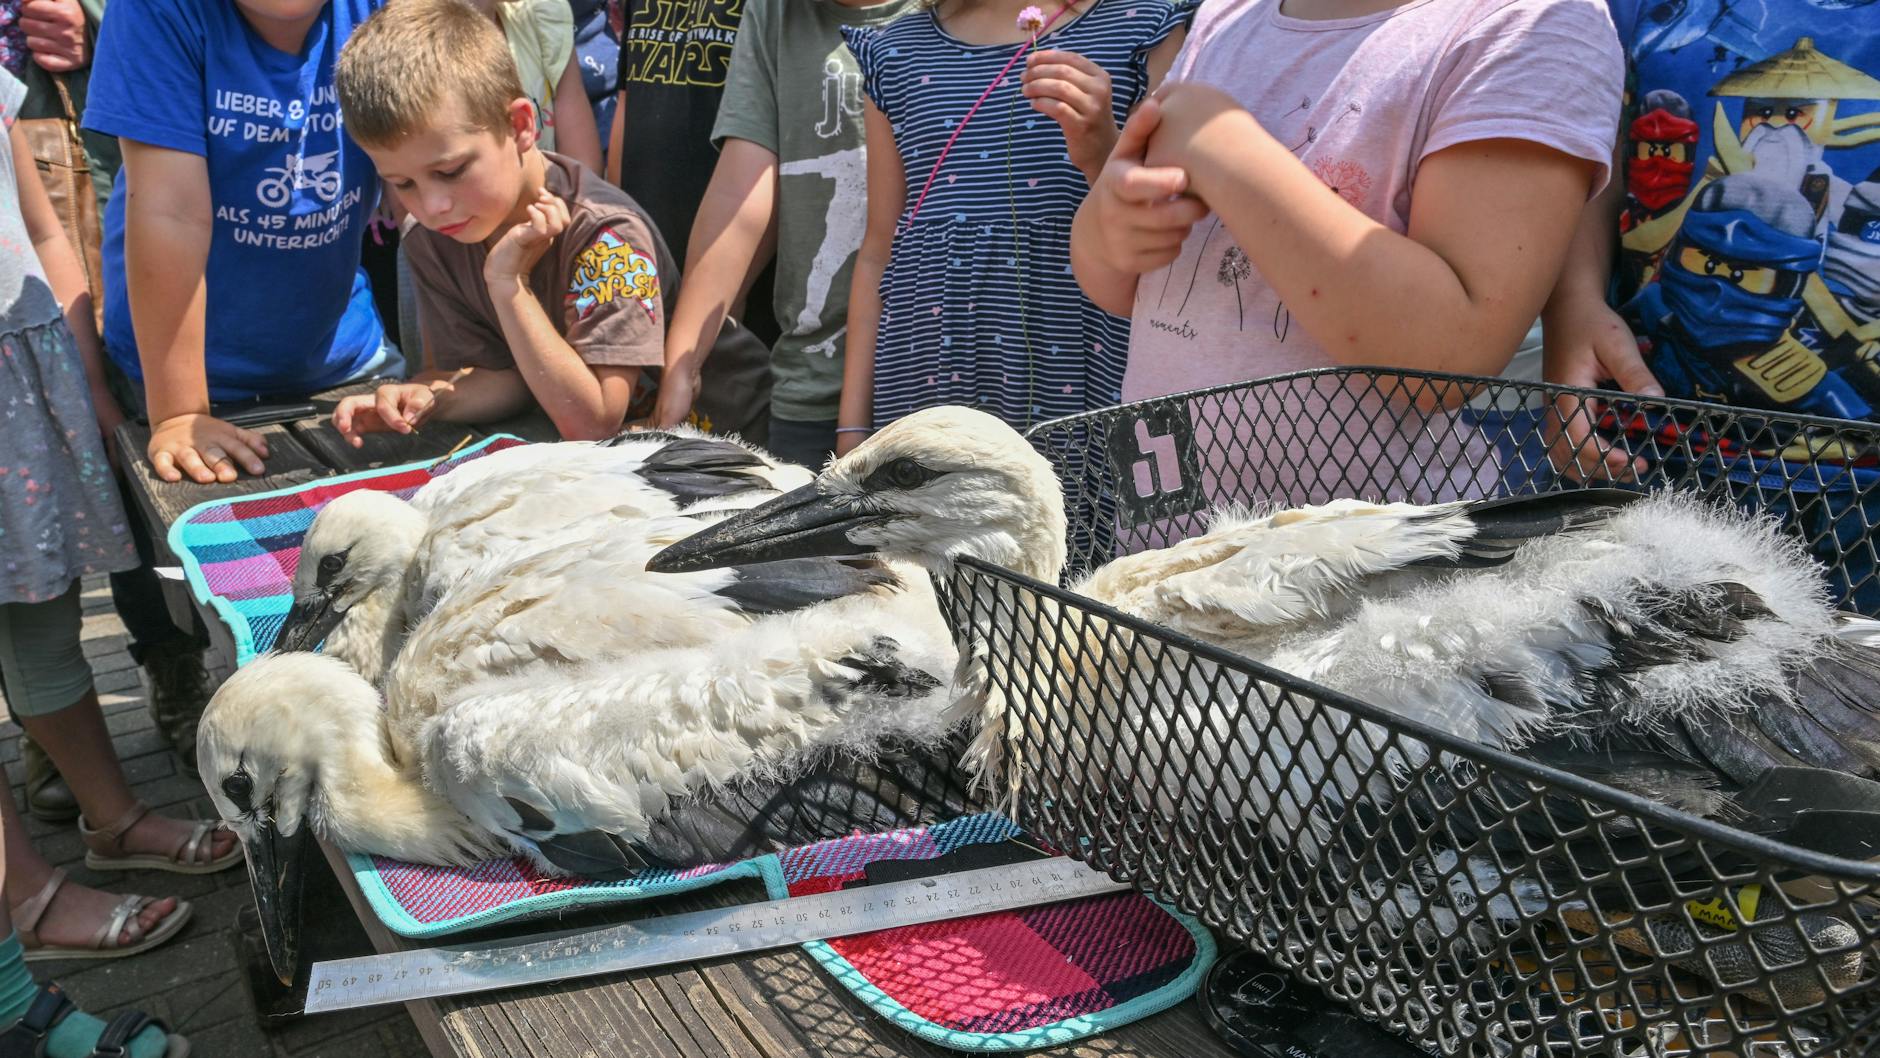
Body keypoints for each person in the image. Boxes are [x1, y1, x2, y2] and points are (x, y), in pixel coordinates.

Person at [1066, 0, 1622, 510]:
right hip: (1160, 533)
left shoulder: (1528, 22)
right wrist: (1109, 229)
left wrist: (1221, 146)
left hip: (1367, 576)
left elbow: (1448, 359)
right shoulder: (1225, 14)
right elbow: (1127, 290)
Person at [0, 64, 237, 974]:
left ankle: (115, 820)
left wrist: (90, 384)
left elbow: (47, 229)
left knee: (46, 624)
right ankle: (25, 893)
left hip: (24, 380)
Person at [1542, 3, 1880, 609]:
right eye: (1765, 115)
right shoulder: (1637, 9)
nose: (1778, 129)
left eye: (1795, 115)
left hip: (1863, 487)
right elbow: (1593, 165)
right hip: (1649, 452)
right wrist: (1573, 314)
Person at [330, 0, 766, 443]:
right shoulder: (433, 238)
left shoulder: (607, 235)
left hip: (736, 449)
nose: (432, 205)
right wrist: (430, 397)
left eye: (450, 171)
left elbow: (595, 420)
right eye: (402, 183)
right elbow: (503, 379)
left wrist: (508, 283)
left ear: (521, 124)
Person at [835, 0, 1187, 455]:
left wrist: (1102, 146)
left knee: (1091, 517)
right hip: (928, 365)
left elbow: (1174, 237)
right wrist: (852, 430)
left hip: (1091, 359)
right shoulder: (896, 49)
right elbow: (880, 250)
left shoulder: (1145, 25)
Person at [651, 0, 917, 468]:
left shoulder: (961, 14)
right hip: (811, 382)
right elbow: (742, 194)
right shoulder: (773, 13)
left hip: (931, 374)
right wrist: (684, 361)